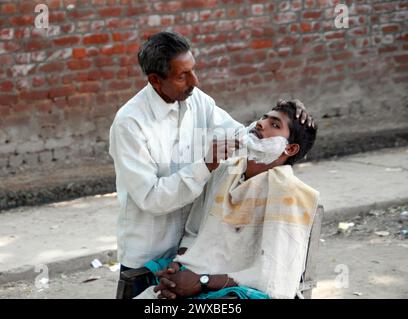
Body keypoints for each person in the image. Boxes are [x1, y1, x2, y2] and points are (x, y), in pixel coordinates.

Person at [109, 31, 314, 296]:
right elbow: (151, 198)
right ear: (155, 81)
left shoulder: (197, 101)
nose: (194, 82)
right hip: (151, 249)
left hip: (196, 253)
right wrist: (205, 165)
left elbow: (242, 135)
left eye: (193, 70)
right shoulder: (130, 123)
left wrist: (287, 115)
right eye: (183, 76)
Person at [134, 101, 319, 299]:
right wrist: (179, 265)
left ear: (290, 149)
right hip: (193, 274)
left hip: (234, 294)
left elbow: (274, 275)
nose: (260, 124)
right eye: (264, 117)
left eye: (274, 125)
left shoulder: (288, 194)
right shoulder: (224, 170)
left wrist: (202, 281)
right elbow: (193, 231)